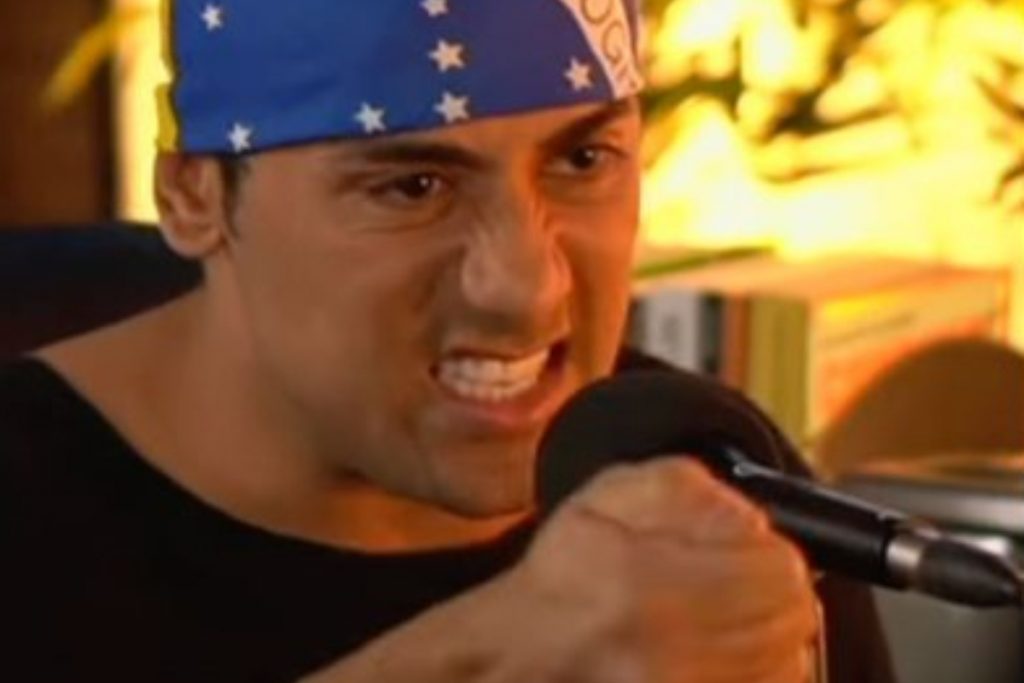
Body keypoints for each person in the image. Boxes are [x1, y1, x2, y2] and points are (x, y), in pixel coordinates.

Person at [1, 1, 893, 681]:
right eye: (413, 187)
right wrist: (483, 657)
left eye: (582, 161)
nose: (526, 288)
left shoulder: (711, 479)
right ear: (193, 196)